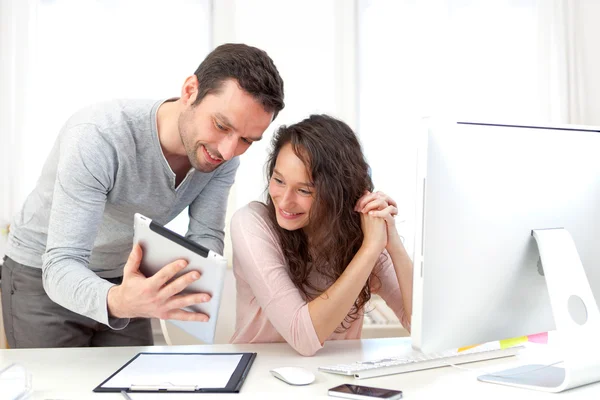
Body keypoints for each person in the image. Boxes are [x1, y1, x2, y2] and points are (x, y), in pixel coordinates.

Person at [1, 43, 285, 348]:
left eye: (247, 140)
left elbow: (205, 237)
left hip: (125, 276)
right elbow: (61, 263)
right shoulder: (99, 137)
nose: (228, 150)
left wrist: (186, 287)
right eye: (220, 125)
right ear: (190, 90)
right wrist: (120, 301)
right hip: (43, 275)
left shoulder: (222, 158)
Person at [229, 114, 413, 356]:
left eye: (304, 190)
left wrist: (393, 242)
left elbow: (420, 325)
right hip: (258, 376)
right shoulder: (251, 223)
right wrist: (370, 249)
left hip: (337, 379)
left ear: (338, 194)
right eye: (279, 180)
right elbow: (302, 337)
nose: (284, 201)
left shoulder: (362, 237)